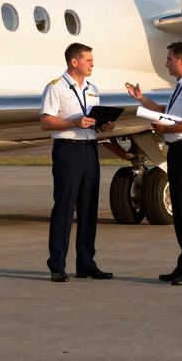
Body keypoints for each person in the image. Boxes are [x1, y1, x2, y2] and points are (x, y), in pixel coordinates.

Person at [125, 41, 182, 286]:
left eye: (170, 58)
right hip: (178, 151)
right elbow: (167, 112)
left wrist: (168, 128)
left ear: (181, 60)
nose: (167, 63)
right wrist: (143, 100)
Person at [40, 42, 114, 282]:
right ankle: (57, 264)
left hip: (90, 149)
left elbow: (91, 120)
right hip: (68, 151)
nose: (92, 64)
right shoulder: (56, 88)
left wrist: (103, 125)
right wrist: (73, 122)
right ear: (75, 62)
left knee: (88, 208)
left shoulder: (93, 89)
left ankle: (86, 263)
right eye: (88, 60)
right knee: (64, 207)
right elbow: (46, 122)